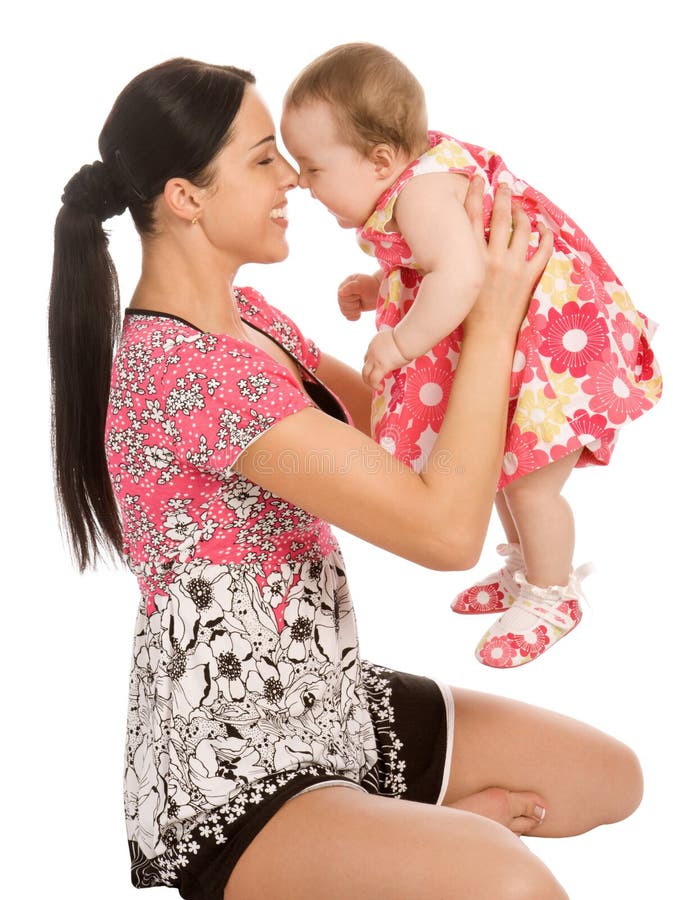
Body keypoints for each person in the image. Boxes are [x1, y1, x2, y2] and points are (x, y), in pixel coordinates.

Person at [48, 58, 642, 900]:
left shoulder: (250, 319)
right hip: (235, 771)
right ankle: (384, 847)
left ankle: (397, 840)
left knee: (606, 779)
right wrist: (490, 317)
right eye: (262, 160)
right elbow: (442, 530)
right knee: (515, 887)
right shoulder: (193, 376)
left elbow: (401, 438)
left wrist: (451, 283)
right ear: (187, 197)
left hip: (327, 703)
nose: (292, 176)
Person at [281, 42, 663, 668]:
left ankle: (552, 594)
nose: (300, 181)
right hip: (530, 343)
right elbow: (438, 265)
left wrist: (399, 340)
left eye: (313, 166)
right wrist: (381, 287)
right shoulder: (417, 183)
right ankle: (526, 570)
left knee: (534, 488)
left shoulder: (419, 197)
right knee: (503, 471)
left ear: (380, 160)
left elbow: (459, 276)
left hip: (552, 354)